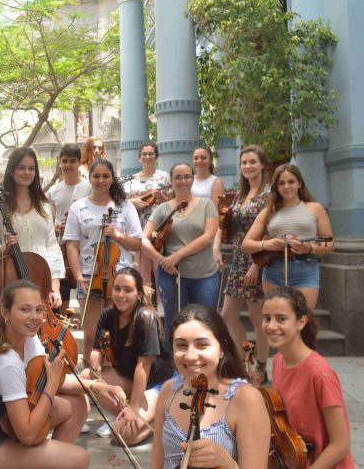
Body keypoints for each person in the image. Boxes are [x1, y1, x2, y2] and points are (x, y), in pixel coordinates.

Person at [0, 280, 89, 469]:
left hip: (13, 422)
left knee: (74, 405)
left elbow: (52, 377)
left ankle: (46, 461)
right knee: (80, 459)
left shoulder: (29, 339)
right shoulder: (7, 364)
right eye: (25, 310)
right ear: (5, 312)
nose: (34, 317)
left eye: (39, 310)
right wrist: (51, 384)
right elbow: (27, 435)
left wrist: (96, 387)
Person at [150, 304, 270, 469]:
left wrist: (227, 464)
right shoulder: (168, 390)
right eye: (181, 345)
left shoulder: (246, 399)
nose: (190, 355)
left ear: (221, 349)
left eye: (202, 345)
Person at [261, 287, 354, 468]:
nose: (271, 326)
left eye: (281, 319)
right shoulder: (279, 361)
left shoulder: (320, 373)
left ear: (301, 322)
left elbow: (341, 444)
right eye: (267, 318)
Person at [81, 268, 175, 442]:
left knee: (123, 435)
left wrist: (133, 406)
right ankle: (125, 416)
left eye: (128, 290)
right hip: (129, 379)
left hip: (157, 383)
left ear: (138, 294)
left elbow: (143, 366)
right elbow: (96, 350)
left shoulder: (146, 317)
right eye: (117, 289)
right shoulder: (107, 314)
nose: (121, 295)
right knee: (86, 376)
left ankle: (163, 416)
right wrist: (96, 364)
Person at [63, 159, 142, 353]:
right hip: (91, 276)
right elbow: (72, 245)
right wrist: (78, 275)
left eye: (105, 176)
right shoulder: (78, 207)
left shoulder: (125, 206)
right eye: (96, 176)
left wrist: (117, 235)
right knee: (92, 332)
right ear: (89, 179)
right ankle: (91, 373)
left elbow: (137, 243)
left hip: (120, 276)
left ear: (112, 178)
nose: (101, 180)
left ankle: (116, 372)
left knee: (119, 331)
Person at [242, 164, 334, 313]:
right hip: (273, 272)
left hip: (305, 270)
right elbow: (246, 244)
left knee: (303, 322)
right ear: (276, 187)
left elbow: (329, 245)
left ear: (300, 183)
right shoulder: (269, 211)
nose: (286, 186)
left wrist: (309, 248)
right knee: (277, 321)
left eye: (291, 181)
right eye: (281, 183)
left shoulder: (315, 208)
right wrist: (266, 244)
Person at [141, 163, 220, 334]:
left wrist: (176, 256)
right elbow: (144, 239)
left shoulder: (207, 205)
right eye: (177, 177)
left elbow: (208, 237)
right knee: (175, 324)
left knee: (206, 324)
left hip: (204, 275)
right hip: (172, 276)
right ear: (171, 181)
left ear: (192, 179)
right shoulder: (163, 208)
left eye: (186, 176)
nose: (182, 181)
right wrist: (162, 260)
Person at [0, 147, 64, 310]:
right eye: (21, 168)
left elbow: (52, 247)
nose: (27, 172)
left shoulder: (45, 207)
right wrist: (3, 248)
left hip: (42, 282)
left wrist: (54, 286)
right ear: (11, 171)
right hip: (13, 281)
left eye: (31, 168)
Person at [220, 145, 272, 385]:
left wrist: (257, 265)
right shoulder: (241, 194)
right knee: (228, 314)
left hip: (258, 259)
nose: (248, 167)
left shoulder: (269, 195)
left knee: (256, 315)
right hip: (239, 258)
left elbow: (269, 231)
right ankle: (245, 362)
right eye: (244, 163)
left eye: (252, 162)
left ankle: (261, 365)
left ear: (262, 164)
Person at [46, 143, 91, 312]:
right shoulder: (53, 191)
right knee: (62, 298)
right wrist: (53, 227)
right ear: (59, 163)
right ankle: (63, 334)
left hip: (84, 247)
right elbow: (46, 219)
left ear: (79, 162)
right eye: (64, 161)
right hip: (62, 249)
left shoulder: (89, 187)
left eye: (72, 161)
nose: (68, 165)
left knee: (84, 299)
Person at [123, 141, 170, 286]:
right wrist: (133, 202)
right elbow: (122, 204)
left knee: (158, 267)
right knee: (142, 270)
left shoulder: (164, 177)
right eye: (144, 154)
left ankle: (162, 307)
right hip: (138, 228)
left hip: (158, 229)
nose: (147, 157)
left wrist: (162, 198)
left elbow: (174, 203)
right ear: (139, 157)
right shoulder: (130, 180)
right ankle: (146, 305)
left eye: (151, 154)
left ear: (156, 157)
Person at [191, 146, 226, 268]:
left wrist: (216, 245)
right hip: (189, 231)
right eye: (196, 158)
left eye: (203, 158)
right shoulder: (188, 180)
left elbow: (217, 215)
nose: (199, 161)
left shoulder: (216, 182)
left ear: (210, 160)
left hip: (207, 232)